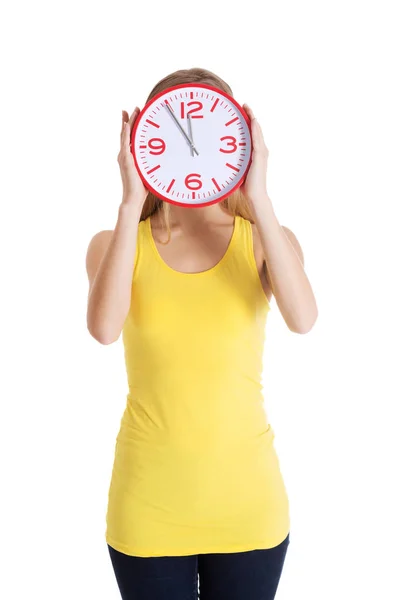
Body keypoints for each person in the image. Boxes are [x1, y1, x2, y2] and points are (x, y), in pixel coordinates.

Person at [86, 67, 318, 600]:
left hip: (248, 506)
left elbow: (303, 319)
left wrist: (258, 196)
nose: (192, 154)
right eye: (170, 140)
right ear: (144, 144)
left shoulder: (265, 240)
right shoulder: (114, 243)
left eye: (213, 141)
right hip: (148, 506)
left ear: (236, 145)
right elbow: (102, 329)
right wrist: (129, 202)